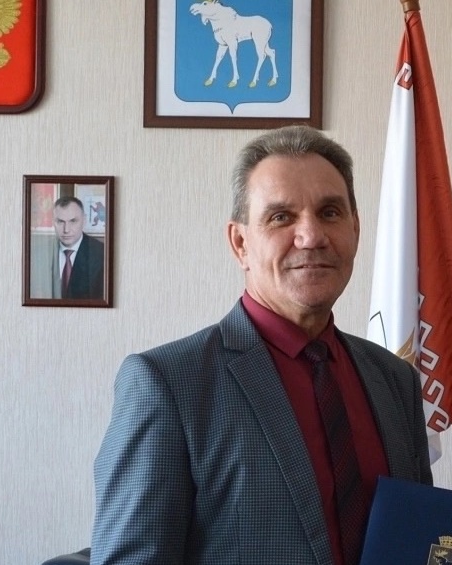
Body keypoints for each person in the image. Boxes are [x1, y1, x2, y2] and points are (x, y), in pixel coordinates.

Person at [91, 125, 433, 565]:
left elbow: (418, 541)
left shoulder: (395, 379)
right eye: (281, 217)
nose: (311, 236)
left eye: (329, 212)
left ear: (355, 229)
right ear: (240, 243)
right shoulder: (167, 385)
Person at [31, 196, 105, 299]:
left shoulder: (102, 254)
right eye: (60, 222)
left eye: (73, 221)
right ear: (53, 222)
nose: (66, 230)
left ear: (84, 221)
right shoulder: (39, 253)